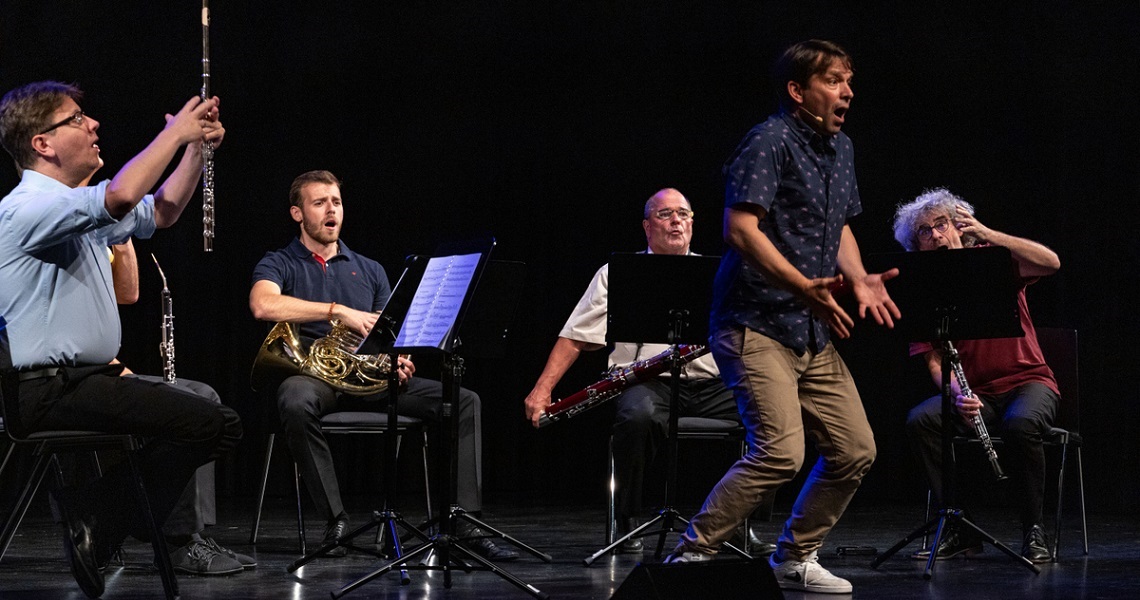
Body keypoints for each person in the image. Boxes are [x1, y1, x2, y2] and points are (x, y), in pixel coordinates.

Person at [665, 40, 900, 596]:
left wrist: (858, 277)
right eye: (833, 81)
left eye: (849, 80)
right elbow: (739, 229)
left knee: (855, 450)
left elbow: (839, 225)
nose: (847, 92)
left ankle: (794, 557)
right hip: (755, 321)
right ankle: (691, 555)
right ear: (798, 91)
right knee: (780, 452)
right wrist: (801, 286)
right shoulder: (767, 141)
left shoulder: (841, 148)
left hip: (811, 327)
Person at [0, 81, 241, 597]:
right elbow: (123, 195)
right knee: (209, 422)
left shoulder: (70, 208)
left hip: (88, 381)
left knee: (218, 422)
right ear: (42, 143)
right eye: (76, 118)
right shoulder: (26, 208)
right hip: (48, 390)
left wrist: (196, 150)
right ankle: (96, 515)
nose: (93, 124)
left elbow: (163, 210)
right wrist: (175, 134)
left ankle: (96, 517)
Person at [249, 169, 517, 561]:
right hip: (314, 377)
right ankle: (336, 521)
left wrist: (399, 360)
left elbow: (389, 334)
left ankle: (465, 522)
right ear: (297, 213)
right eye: (319, 203)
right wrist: (337, 311)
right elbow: (263, 304)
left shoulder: (369, 268)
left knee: (464, 400)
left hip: (369, 378)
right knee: (293, 399)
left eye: (336, 202)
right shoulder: (279, 262)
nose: (331, 210)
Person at [523, 188, 774, 555]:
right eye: (665, 214)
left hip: (713, 384)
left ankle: (736, 522)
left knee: (771, 417)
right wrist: (542, 389)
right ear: (646, 226)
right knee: (637, 416)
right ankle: (625, 518)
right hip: (647, 383)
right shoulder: (616, 273)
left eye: (683, 214)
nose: (676, 221)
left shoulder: (721, 273)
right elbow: (575, 337)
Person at [893, 188, 1061, 564]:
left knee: (1021, 425)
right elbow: (934, 361)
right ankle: (960, 528)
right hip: (975, 394)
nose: (935, 235)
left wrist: (988, 234)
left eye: (942, 224)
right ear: (916, 244)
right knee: (922, 420)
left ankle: (1034, 531)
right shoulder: (922, 289)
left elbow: (1050, 263)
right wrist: (957, 394)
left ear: (960, 227)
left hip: (1029, 383)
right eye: (924, 231)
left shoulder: (993, 262)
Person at [109, 240, 254, 575]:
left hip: (106, 366)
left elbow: (127, 294)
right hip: (83, 373)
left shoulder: (94, 238)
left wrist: (122, 239)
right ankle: (176, 541)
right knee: (189, 409)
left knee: (204, 395)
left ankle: (194, 533)